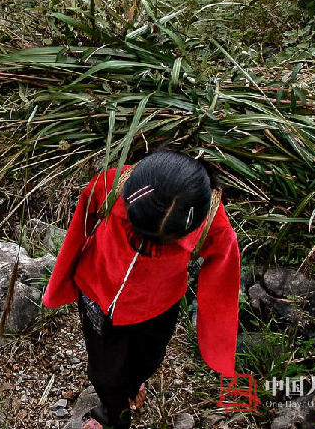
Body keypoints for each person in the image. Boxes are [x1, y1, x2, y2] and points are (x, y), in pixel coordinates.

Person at [43, 151, 240, 429]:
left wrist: (215, 337)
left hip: (158, 306)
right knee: (104, 373)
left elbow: (222, 270)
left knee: (147, 359)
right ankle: (111, 417)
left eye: (163, 242)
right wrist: (62, 280)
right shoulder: (113, 183)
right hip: (97, 293)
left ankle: (135, 383)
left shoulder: (210, 221)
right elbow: (81, 225)